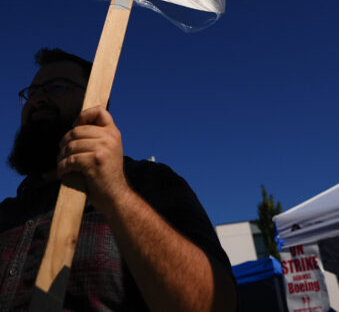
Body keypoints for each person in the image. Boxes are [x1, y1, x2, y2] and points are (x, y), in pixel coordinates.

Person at [0, 48, 238, 311]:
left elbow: (217, 304)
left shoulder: (150, 183)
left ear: (95, 99)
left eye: (56, 87)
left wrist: (116, 194)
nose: (38, 100)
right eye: (31, 93)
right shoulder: (7, 212)